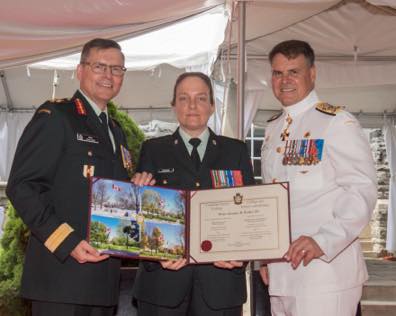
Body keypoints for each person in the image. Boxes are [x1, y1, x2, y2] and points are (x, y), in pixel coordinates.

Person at [6, 38, 131, 316]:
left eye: (117, 69)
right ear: (80, 70)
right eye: (100, 66)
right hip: (60, 279)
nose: (108, 76)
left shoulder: (116, 131)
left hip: (104, 283)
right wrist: (67, 241)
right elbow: (22, 186)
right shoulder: (56, 116)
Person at [260, 39, 377, 316]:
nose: (284, 80)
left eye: (294, 72)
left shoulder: (336, 122)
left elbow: (361, 191)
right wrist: (265, 256)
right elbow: (273, 199)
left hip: (325, 273)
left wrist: (323, 240)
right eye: (278, 73)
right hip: (280, 275)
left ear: (312, 74)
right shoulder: (273, 128)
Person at [132, 72, 255, 315]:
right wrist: (134, 195)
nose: (191, 106)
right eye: (183, 98)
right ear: (173, 106)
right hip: (162, 283)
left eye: (200, 98)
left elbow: (250, 212)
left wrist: (242, 254)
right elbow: (140, 216)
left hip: (221, 283)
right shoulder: (153, 150)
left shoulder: (236, 151)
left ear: (212, 106)